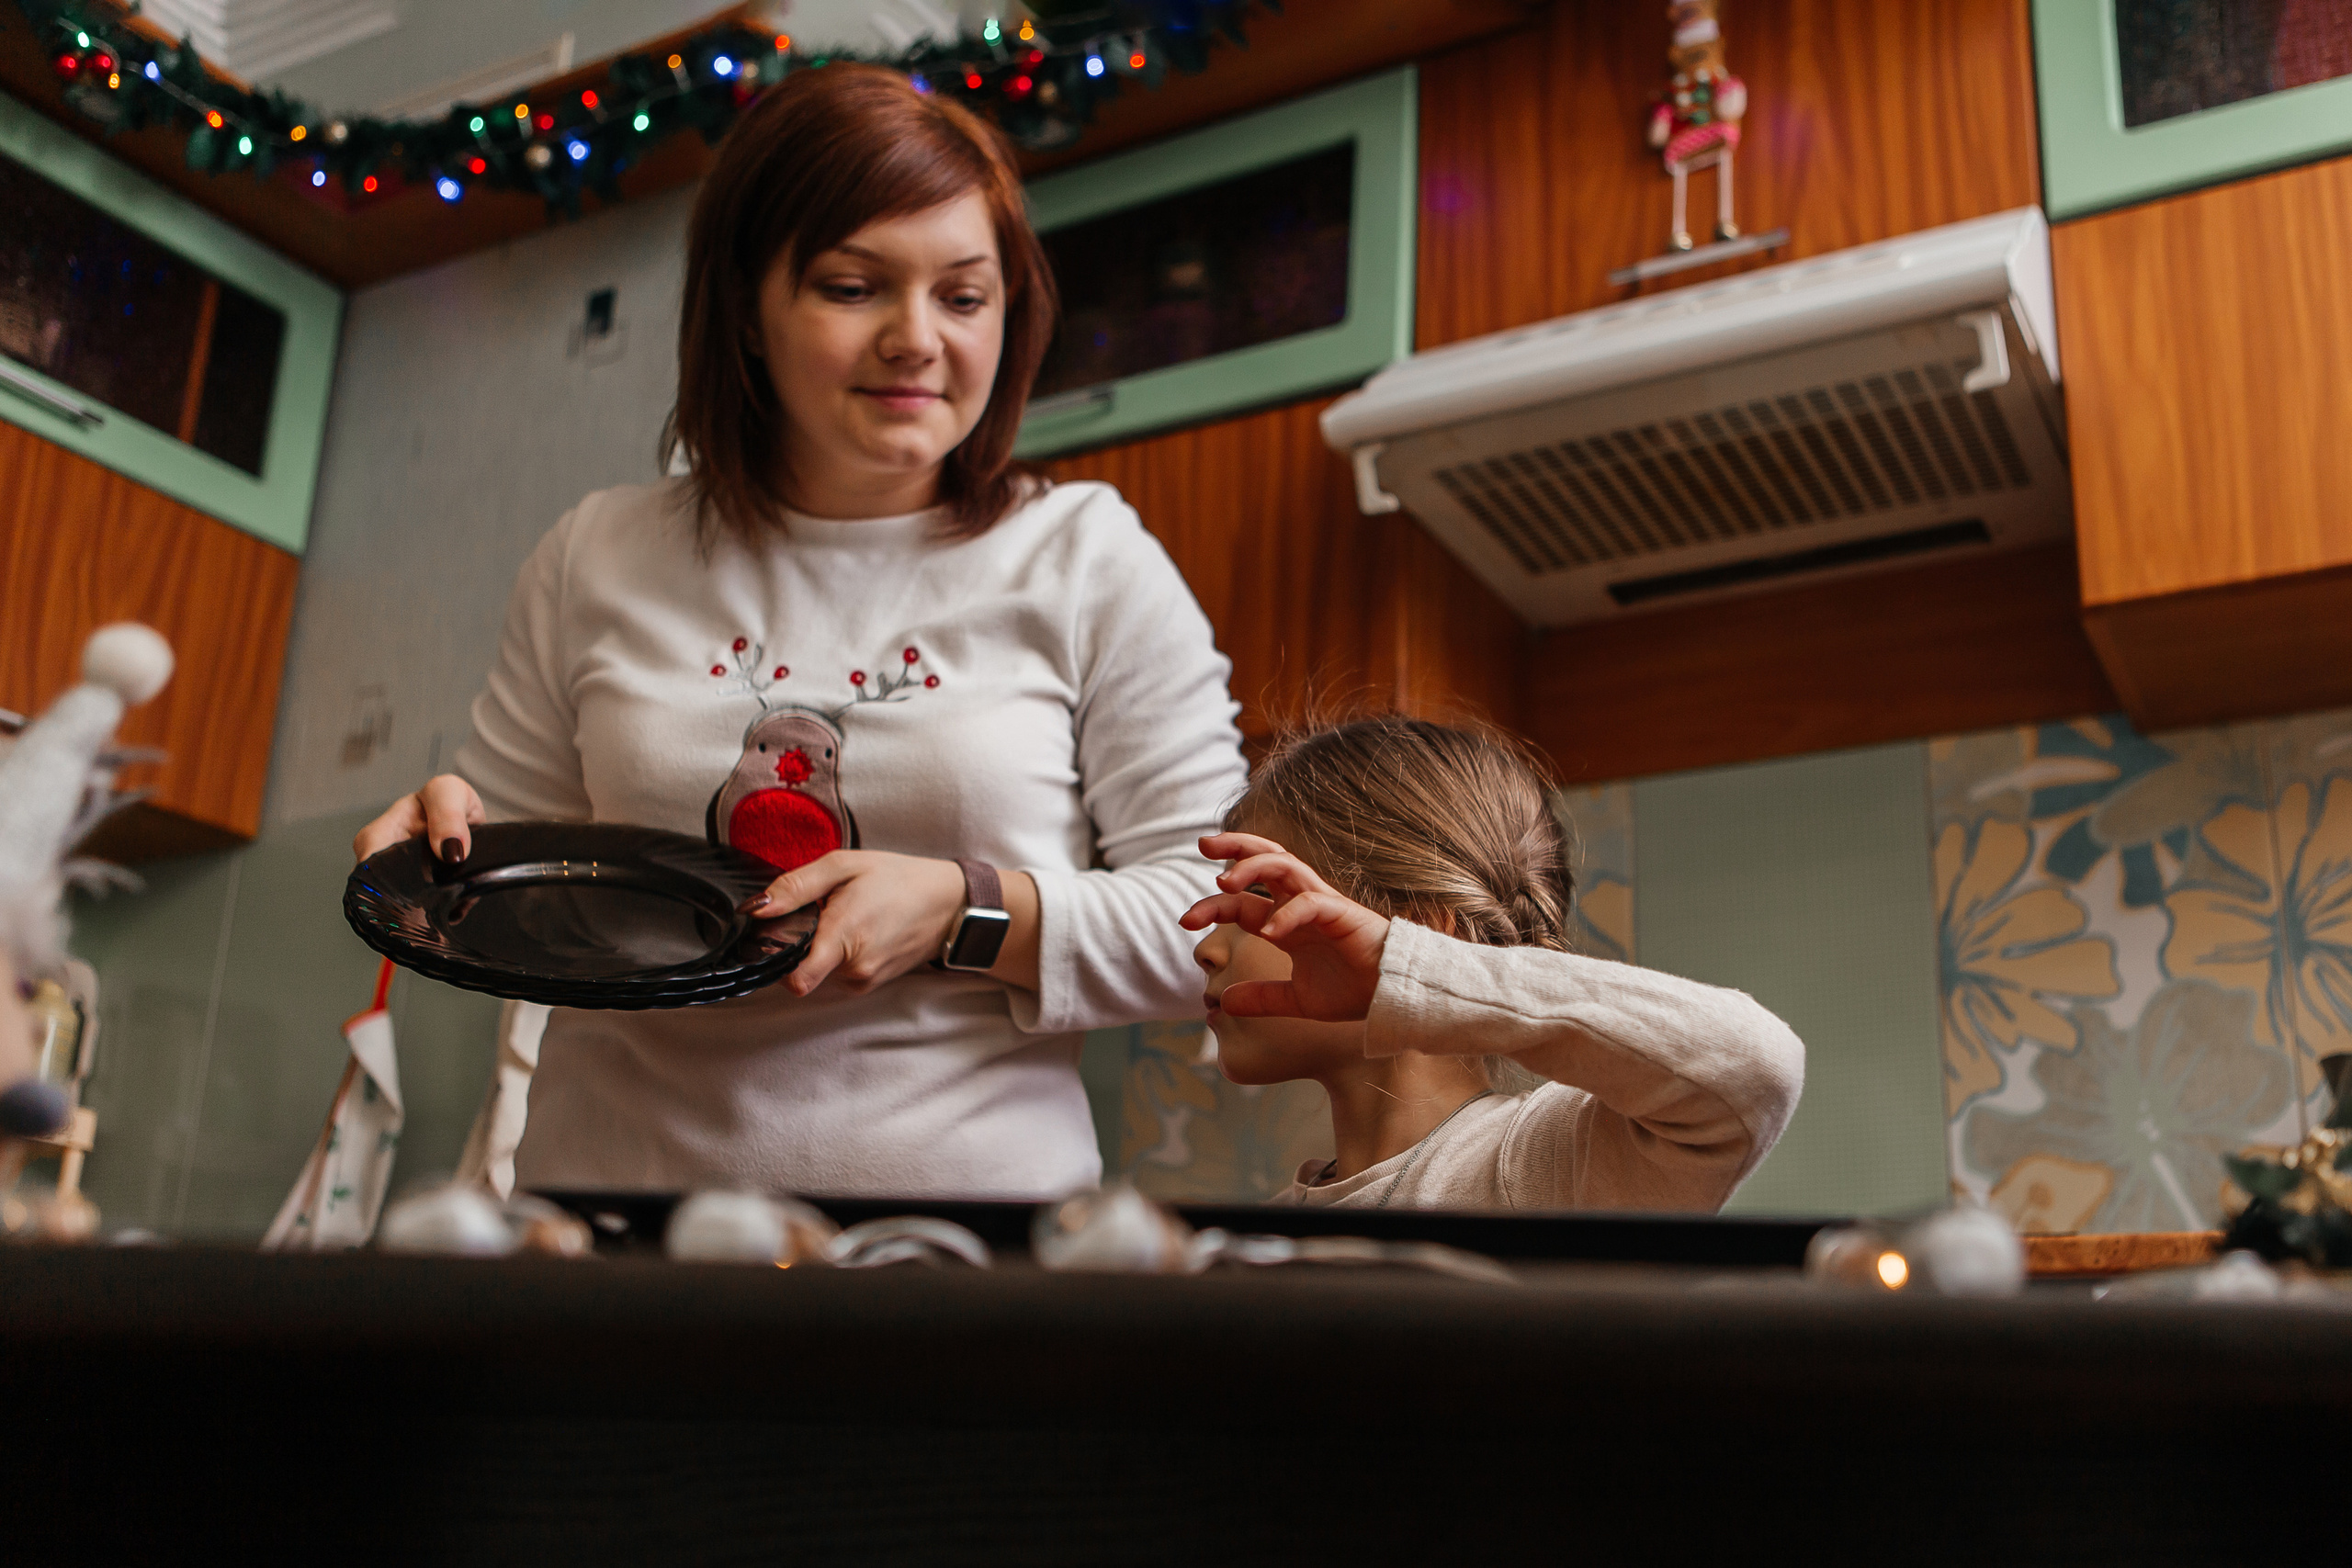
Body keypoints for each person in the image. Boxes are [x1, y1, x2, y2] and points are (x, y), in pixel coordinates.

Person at [354, 65, 1248, 1198]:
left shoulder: (1083, 557)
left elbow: (1221, 921)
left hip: (964, 1261)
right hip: (610, 1227)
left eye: (963, 297)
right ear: (745, 307)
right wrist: (439, 848)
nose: (916, 339)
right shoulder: (599, 552)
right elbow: (516, 885)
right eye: (852, 286)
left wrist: (970, 911)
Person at [1181, 716, 1804, 1211]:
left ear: (1418, 927)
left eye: (1260, 896)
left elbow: (1755, 1066)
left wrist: (1410, 970)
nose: (1207, 946)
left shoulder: (1544, 1163)